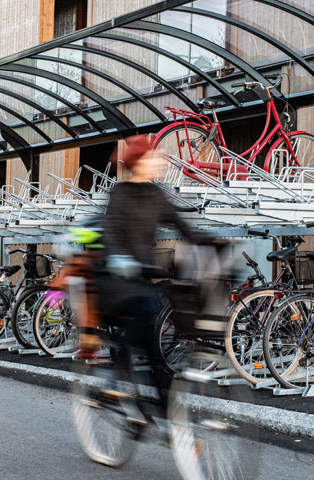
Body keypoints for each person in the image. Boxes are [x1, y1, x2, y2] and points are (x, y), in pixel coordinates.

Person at [99, 134, 207, 420]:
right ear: (139, 163)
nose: (159, 161)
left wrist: (213, 244)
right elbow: (109, 233)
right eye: (153, 156)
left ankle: (165, 412)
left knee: (154, 345)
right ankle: (116, 376)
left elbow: (182, 226)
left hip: (142, 278)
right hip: (115, 279)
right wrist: (120, 259)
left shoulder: (156, 194)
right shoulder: (119, 194)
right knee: (148, 316)